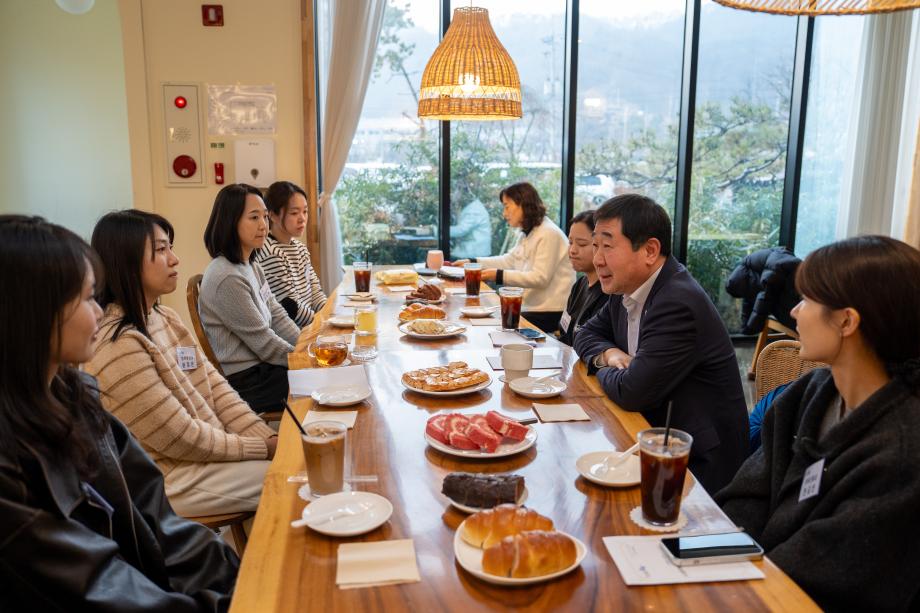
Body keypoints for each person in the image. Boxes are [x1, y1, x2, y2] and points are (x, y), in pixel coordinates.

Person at [0, 215, 238, 611]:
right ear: (34, 312)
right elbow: (100, 588)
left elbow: (157, 519)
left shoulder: (76, 397)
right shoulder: (9, 463)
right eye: (87, 297)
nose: (98, 312)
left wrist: (238, 580)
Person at [716, 236, 920, 612]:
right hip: (747, 582)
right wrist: (712, 560)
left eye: (807, 300)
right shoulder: (810, 390)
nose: (794, 311)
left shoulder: (902, 452)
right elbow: (748, 493)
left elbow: (821, 571)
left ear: (846, 321)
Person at [86, 210, 277, 517]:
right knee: (293, 478)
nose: (175, 259)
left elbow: (217, 390)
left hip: (201, 459)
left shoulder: (164, 317)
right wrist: (262, 449)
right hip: (169, 478)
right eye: (161, 250)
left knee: (293, 461)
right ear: (126, 260)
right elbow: (180, 437)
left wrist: (265, 436)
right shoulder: (118, 344)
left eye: (170, 247)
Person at [573, 194, 748, 493]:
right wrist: (610, 356)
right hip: (648, 435)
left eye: (607, 246)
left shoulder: (677, 302)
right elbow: (583, 334)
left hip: (696, 466)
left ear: (650, 251)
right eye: (595, 246)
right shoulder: (625, 288)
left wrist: (605, 369)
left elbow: (631, 391)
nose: (597, 259)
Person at [200, 183, 300, 412]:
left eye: (265, 217)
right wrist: (305, 361)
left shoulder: (251, 266)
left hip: (265, 369)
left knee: (330, 374)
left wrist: (306, 346)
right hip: (247, 381)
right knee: (324, 383)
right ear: (230, 221)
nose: (263, 225)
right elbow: (265, 343)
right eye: (254, 217)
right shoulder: (227, 277)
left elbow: (278, 316)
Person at [452, 182, 575, 333]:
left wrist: (497, 275)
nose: (504, 213)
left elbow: (540, 278)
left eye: (507, 206)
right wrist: (473, 262)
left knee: (493, 323)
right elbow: (509, 260)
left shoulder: (548, 233)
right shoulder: (530, 231)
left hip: (549, 311)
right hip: (532, 307)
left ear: (523, 204)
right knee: (487, 319)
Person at [254, 181, 326, 327]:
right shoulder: (270, 252)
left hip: (310, 327)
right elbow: (292, 310)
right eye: (294, 213)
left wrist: (330, 315)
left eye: (305, 211)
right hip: (293, 335)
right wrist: (324, 323)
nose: (302, 218)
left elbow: (316, 293)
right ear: (273, 216)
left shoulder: (300, 249)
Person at [558, 209, 606, 346]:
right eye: (570, 242)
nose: (572, 250)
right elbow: (564, 331)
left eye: (582, 244)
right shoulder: (580, 284)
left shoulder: (608, 292)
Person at [449, 193, 491, 259]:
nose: (453, 196)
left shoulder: (474, 210)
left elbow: (461, 230)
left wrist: (435, 230)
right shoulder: (473, 207)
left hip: (474, 254)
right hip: (473, 251)